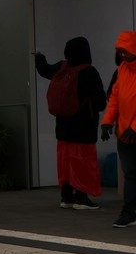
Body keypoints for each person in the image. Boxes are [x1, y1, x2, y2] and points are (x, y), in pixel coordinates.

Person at [35, 37, 107, 209]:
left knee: (65, 163)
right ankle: (81, 197)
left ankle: (66, 197)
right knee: (82, 163)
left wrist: (39, 58)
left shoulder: (61, 67)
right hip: (83, 129)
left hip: (63, 128)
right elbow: (100, 103)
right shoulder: (89, 72)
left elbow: (45, 70)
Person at [101, 32, 136, 228]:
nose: (123, 55)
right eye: (120, 52)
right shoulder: (122, 69)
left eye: (126, 51)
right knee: (130, 173)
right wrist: (107, 122)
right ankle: (129, 212)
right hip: (125, 133)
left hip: (131, 130)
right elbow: (115, 98)